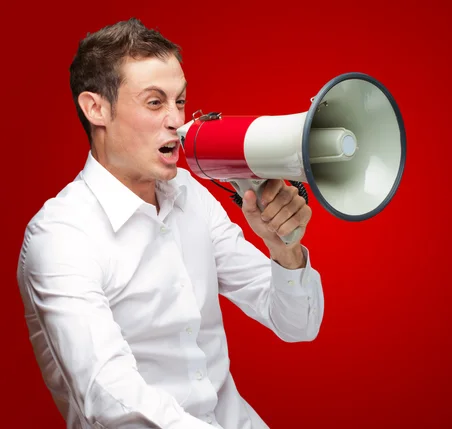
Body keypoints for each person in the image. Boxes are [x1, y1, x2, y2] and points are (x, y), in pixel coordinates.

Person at [16, 17, 324, 429]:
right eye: (155, 102)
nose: (177, 122)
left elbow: (297, 325)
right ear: (96, 109)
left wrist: (283, 250)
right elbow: (111, 397)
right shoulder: (60, 237)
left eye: (180, 101)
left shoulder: (190, 193)